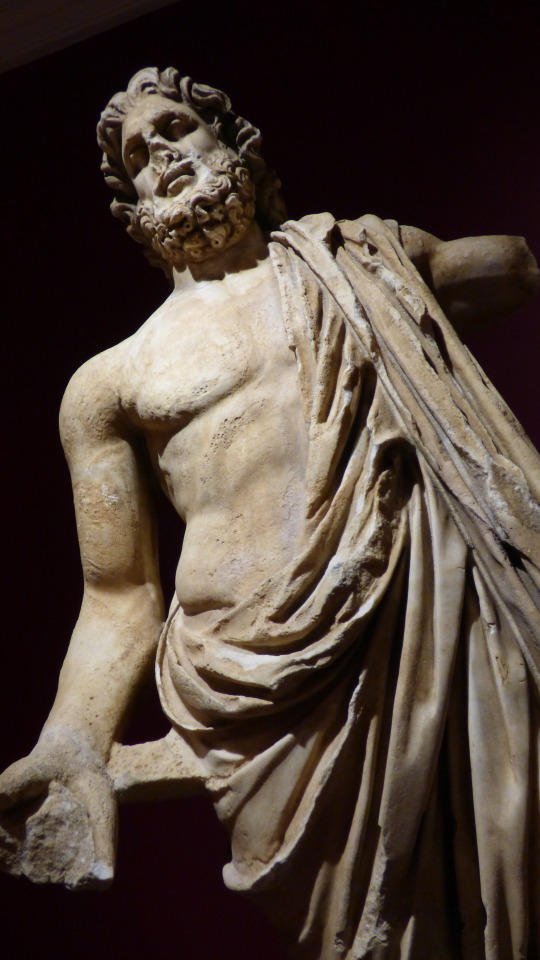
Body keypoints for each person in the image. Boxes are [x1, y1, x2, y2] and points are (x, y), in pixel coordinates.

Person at [1, 67, 539, 959]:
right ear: (132, 205)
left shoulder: (355, 262)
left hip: (438, 609)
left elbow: (504, 270)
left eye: (177, 127)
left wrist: (422, 272)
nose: (161, 153)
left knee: (516, 879)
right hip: (253, 693)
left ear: (234, 145)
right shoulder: (110, 383)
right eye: (138, 155)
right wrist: (72, 740)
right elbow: (120, 593)